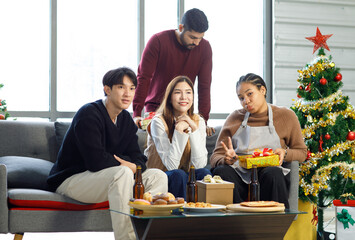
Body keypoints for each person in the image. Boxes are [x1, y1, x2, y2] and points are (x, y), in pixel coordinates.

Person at [47, 67, 168, 240]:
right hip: (72, 180)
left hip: (105, 179)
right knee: (123, 172)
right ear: (107, 89)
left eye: (132, 88)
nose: (127, 93)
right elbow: (95, 161)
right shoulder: (88, 114)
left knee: (158, 176)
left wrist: (133, 165)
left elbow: (139, 159)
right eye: (121, 87)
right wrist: (128, 165)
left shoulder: (125, 119)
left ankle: (148, 235)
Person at [210, 73, 307, 208]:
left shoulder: (286, 116)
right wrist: (225, 159)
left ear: (263, 90)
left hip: (269, 175)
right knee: (221, 172)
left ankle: (274, 224)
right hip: (239, 176)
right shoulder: (235, 118)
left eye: (250, 94)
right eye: (241, 98)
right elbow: (215, 156)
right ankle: (237, 221)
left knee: (273, 173)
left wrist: (285, 153)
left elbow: (302, 152)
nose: (246, 101)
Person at [133, 8, 215, 136]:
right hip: (156, 108)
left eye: (200, 38)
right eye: (193, 37)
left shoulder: (205, 48)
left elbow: (204, 87)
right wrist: (137, 114)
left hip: (183, 108)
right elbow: (143, 78)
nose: (197, 43)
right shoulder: (158, 41)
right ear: (181, 27)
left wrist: (203, 120)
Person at [144, 76, 211, 199]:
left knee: (204, 173)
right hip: (161, 175)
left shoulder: (198, 120)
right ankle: (180, 217)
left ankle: (203, 215)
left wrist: (194, 130)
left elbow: (200, 164)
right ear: (169, 98)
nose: (184, 97)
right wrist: (179, 131)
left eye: (188, 92)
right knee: (178, 175)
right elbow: (171, 166)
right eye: (178, 92)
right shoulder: (158, 122)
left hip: (182, 174)